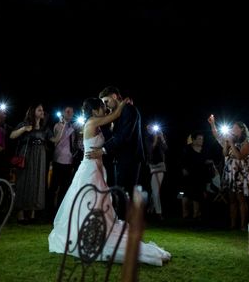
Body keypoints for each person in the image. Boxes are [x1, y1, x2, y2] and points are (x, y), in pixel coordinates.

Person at [49, 97, 171, 266]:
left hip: (97, 168)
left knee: (98, 202)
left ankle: (94, 230)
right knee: (89, 201)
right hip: (89, 169)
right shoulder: (91, 122)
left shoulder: (96, 124)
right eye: (101, 106)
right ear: (94, 110)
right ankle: (85, 233)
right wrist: (121, 104)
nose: (104, 109)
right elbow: (114, 116)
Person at [87, 86, 145, 219]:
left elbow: (123, 136)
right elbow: (111, 135)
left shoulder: (129, 110)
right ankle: (120, 224)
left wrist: (103, 150)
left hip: (130, 158)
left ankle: (124, 225)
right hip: (119, 158)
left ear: (114, 96)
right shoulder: (117, 113)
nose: (105, 105)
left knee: (124, 193)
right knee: (119, 192)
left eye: (106, 101)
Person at [208, 116, 249, 230]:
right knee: (232, 199)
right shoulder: (231, 139)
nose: (233, 129)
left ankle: (243, 225)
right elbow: (225, 154)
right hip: (230, 172)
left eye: (235, 127)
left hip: (239, 172)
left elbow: (239, 156)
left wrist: (232, 144)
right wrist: (226, 143)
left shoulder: (246, 142)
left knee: (241, 199)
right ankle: (233, 224)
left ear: (241, 129)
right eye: (232, 127)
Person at [147, 124, 167, 221]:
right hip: (151, 167)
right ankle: (151, 209)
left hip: (160, 166)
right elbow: (150, 150)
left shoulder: (159, 136)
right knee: (154, 190)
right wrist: (155, 139)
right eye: (150, 128)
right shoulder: (147, 138)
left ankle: (158, 213)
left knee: (155, 190)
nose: (152, 129)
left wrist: (162, 137)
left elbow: (165, 148)